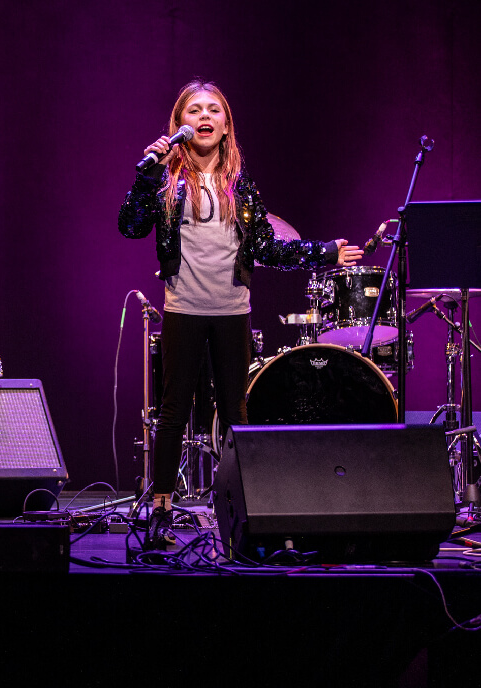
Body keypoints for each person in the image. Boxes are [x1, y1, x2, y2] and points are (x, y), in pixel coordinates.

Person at [118, 81, 364, 550]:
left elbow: (269, 247)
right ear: (179, 125)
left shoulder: (240, 185)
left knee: (237, 415)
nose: (205, 116)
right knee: (173, 414)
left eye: (215, 110)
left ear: (227, 126)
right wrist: (146, 175)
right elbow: (129, 226)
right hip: (184, 310)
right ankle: (161, 513)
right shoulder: (167, 181)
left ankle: (244, 513)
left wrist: (325, 253)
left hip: (233, 312)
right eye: (195, 110)